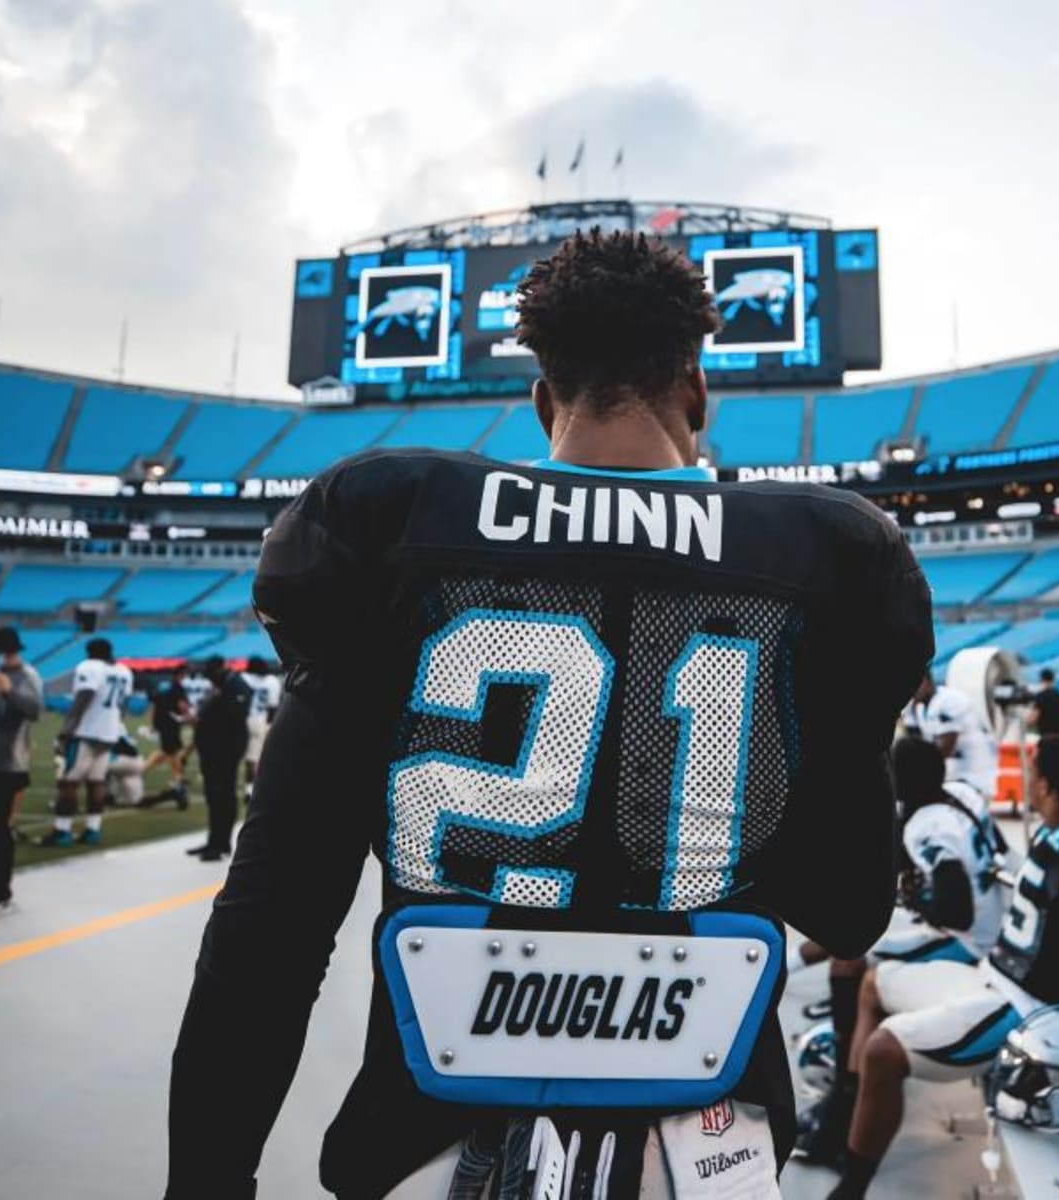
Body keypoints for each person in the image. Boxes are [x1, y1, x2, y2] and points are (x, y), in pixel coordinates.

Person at [166, 230, 934, 1198]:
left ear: (542, 401)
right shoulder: (825, 554)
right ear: (697, 391)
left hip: (432, 1133)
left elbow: (271, 931)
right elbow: (848, 912)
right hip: (706, 1146)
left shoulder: (393, 524)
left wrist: (207, 1180)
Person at [829, 737, 1059, 1199]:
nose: (1025, 779)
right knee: (872, 983)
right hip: (992, 977)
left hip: (1028, 1012)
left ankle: (850, 1187)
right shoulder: (1056, 834)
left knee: (883, 1051)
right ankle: (843, 1115)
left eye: (1032, 773)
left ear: (1045, 786)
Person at [794, 738, 1006, 1162]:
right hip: (985, 929)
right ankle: (845, 1088)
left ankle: (844, 1103)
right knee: (852, 935)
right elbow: (992, 848)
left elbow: (956, 909)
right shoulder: (957, 797)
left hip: (965, 942)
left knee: (850, 956)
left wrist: (917, 898)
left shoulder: (928, 825)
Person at [41, 637, 133, 848]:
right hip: (109, 734)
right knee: (96, 781)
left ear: (90, 652)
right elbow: (124, 704)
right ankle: (93, 829)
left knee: (68, 782)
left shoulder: (89, 667)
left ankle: (62, 830)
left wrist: (66, 730)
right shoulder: (124, 671)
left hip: (86, 732)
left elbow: (84, 697)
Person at [0, 627, 43, 911]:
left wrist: (8, 691)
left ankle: (1, 891)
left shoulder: (27, 675)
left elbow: (34, 710)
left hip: (8, 762)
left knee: (0, 828)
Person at [187, 656, 250, 863]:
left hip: (225, 750)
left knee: (223, 795)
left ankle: (221, 843)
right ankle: (214, 840)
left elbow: (234, 716)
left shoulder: (236, 686)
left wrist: (209, 714)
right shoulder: (224, 686)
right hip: (213, 750)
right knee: (214, 797)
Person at [906, 671, 998, 799]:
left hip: (974, 771)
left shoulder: (950, 700)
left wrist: (919, 772)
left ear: (927, 682)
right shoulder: (917, 707)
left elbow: (946, 747)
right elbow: (913, 744)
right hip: (953, 774)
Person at [142, 664, 192, 804]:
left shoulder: (164, 687)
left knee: (172, 752)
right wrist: (190, 716)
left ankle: (178, 779)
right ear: (180, 675)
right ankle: (141, 771)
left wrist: (153, 723)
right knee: (168, 752)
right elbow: (182, 706)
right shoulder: (178, 688)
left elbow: (154, 705)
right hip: (171, 723)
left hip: (163, 722)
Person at [238, 656, 280, 801]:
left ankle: (251, 788)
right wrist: (269, 724)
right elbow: (273, 707)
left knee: (244, 758)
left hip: (241, 720)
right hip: (260, 721)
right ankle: (252, 788)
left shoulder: (243, 678)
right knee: (255, 758)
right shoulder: (272, 681)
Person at [1028, 666, 1059, 737]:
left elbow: (1033, 719)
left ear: (1041, 680)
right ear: (1053, 680)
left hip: (1045, 736)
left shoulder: (1040, 696)